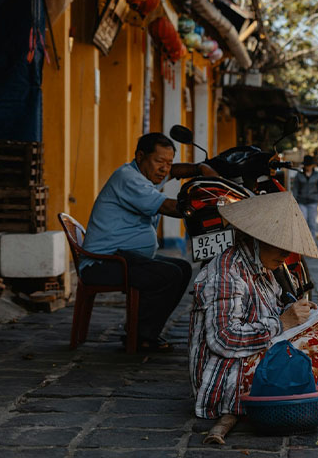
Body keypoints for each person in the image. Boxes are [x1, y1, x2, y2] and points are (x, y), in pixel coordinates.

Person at [189, 192, 318, 443]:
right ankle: (296, 389)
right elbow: (223, 338)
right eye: (279, 245)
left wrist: (297, 311)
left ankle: (301, 385)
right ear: (256, 239)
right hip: (229, 378)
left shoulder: (262, 268)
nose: (286, 254)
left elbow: (271, 309)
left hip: (254, 356)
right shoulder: (227, 272)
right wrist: (283, 322)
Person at [80, 132, 216, 352]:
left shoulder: (144, 175)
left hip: (125, 258)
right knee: (168, 275)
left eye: (168, 161)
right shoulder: (128, 178)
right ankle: (140, 334)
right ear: (140, 156)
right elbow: (168, 207)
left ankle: (144, 329)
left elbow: (174, 172)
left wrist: (200, 169)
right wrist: (211, 205)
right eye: (159, 161)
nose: (164, 168)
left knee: (181, 268)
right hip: (103, 264)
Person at [291, 155, 318, 234]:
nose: (308, 167)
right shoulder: (299, 175)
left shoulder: (317, 175)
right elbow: (295, 189)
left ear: (312, 165)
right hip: (301, 201)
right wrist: (294, 201)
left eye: (309, 165)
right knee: (303, 221)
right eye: (306, 165)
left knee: (312, 222)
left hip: (313, 201)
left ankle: (312, 243)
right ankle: (304, 242)